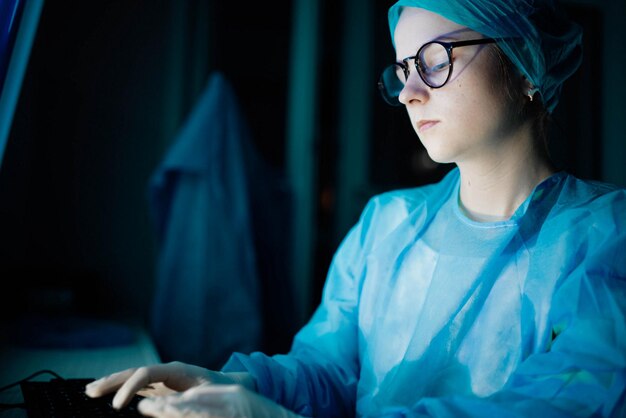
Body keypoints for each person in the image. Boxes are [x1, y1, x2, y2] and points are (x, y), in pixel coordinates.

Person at [85, 0, 626, 416]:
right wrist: (236, 385)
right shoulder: (386, 225)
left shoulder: (606, 235)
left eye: (436, 60)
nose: (411, 92)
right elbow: (327, 369)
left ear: (527, 62)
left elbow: (565, 403)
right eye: (403, 68)